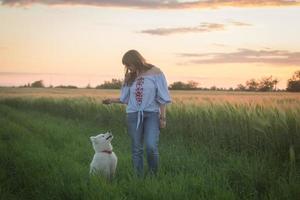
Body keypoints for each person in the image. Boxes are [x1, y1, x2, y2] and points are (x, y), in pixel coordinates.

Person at [102, 49, 171, 177]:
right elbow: (125, 98)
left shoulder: (156, 72)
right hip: (133, 115)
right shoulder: (129, 77)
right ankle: (138, 177)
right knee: (136, 148)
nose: (127, 68)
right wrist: (111, 100)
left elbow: (162, 97)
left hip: (151, 115)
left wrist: (163, 118)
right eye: (125, 66)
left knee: (151, 147)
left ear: (136, 61)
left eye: (128, 64)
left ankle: (153, 175)